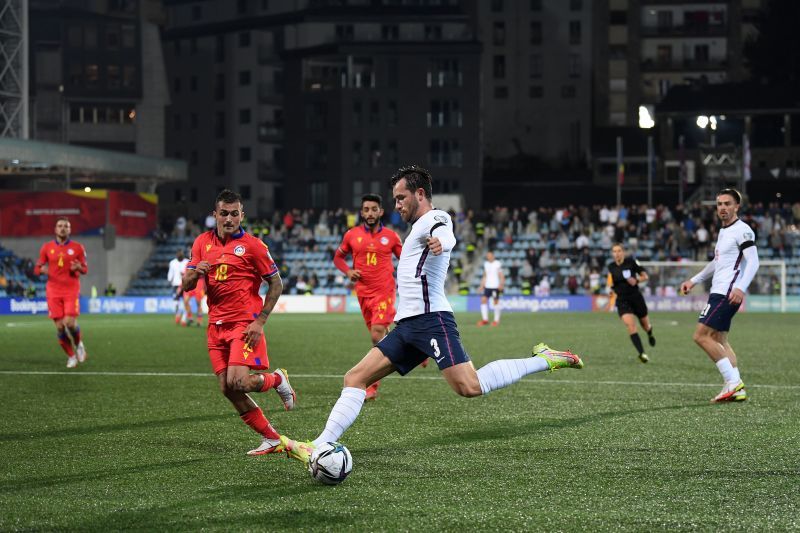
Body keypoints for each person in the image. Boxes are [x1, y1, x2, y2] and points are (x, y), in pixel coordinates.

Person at [279, 165, 584, 464]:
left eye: (401, 198)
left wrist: (442, 243)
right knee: (355, 377)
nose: (396, 204)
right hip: (408, 325)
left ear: (419, 193)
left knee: (469, 386)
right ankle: (319, 445)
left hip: (432, 319)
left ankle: (545, 359)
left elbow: (446, 233)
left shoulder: (435, 218)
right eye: (395, 199)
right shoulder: (414, 230)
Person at [182, 190, 297, 455]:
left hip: (243, 325)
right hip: (215, 326)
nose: (229, 218)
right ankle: (271, 438)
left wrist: (260, 322)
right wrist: (195, 274)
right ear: (215, 216)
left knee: (240, 383)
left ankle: (276, 380)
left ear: (242, 215)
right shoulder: (201, 243)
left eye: (235, 213)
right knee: (227, 388)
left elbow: (276, 283)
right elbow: (186, 286)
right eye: (224, 213)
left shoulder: (254, 246)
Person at [680, 188, 759, 403]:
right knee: (719, 338)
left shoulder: (742, 230)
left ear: (736, 207)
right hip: (721, 290)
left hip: (727, 292)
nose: (722, 208)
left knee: (700, 336)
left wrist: (741, 287)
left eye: (727, 203)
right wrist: (693, 280)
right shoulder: (725, 231)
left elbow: (753, 261)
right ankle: (736, 386)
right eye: (719, 204)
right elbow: (717, 263)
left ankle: (733, 382)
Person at [333, 193, 403, 400]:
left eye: (374, 209)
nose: (370, 213)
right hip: (363, 294)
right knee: (382, 337)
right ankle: (410, 346)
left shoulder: (391, 236)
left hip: (384, 291)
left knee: (376, 335)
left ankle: (371, 386)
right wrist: (348, 272)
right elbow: (338, 258)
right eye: (366, 210)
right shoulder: (351, 235)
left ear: (381, 211)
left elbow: (405, 259)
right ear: (361, 212)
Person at [33, 217, 88, 368]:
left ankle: (79, 344)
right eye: (60, 226)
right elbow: (37, 268)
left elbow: (85, 269)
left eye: (66, 226)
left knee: (69, 323)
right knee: (59, 327)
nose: (63, 228)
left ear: (70, 230)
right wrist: (41, 269)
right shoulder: (46, 247)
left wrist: (78, 268)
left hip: (71, 290)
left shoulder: (78, 248)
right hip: (53, 291)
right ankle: (71, 356)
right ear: (55, 229)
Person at [606, 243, 655, 363]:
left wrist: (637, 280)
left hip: (636, 298)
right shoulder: (611, 266)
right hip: (622, 300)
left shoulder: (631, 262)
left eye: (619, 251)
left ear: (623, 252)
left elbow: (645, 276)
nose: (616, 253)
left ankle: (649, 333)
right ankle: (642, 353)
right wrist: (611, 290)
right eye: (614, 251)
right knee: (631, 325)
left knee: (645, 325)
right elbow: (611, 283)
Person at [477, 250, 504, 326]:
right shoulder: (486, 264)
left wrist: (501, 284)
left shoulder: (497, 264)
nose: (488, 257)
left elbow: (501, 275)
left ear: (493, 256)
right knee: (483, 300)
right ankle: (485, 320)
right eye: (487, 255)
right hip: (488, 286)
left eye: (489, 255)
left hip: (495, 286)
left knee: (495, 302)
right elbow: (485, 276)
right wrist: (482, 286)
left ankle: (496, 320)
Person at [167, 249, 189, 324]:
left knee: (185, 302)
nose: (179, 255)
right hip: (175, 285)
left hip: (185, 285)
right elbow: (170, 273)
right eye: (178, 254)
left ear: (183, 254)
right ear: (176, 255)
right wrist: (169, 280)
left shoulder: (187, 262)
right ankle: (177, 315)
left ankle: (184, 319)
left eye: (181, 254)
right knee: (176, 302)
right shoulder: (172, 263)